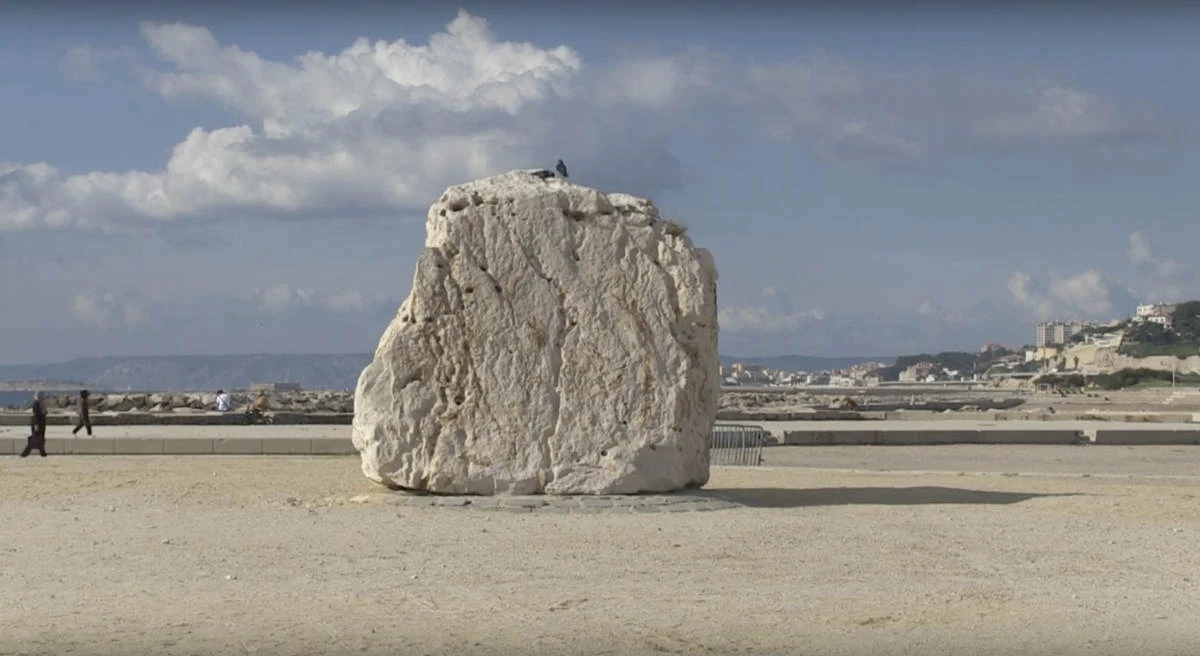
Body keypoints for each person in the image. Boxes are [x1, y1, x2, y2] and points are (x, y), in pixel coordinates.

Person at [21, 391, 48, 458]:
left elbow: (40, 414)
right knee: (37, 438)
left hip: (39, 423)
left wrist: (37, 424)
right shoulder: (39, 403)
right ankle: (26, 452)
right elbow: (40, 414)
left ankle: (42, 453)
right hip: (39, 423)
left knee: (39, 438)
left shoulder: (39, 403)